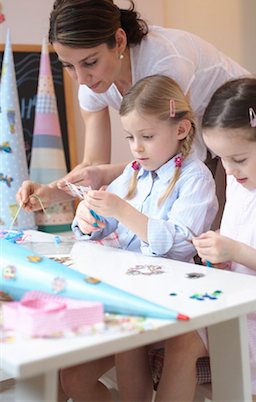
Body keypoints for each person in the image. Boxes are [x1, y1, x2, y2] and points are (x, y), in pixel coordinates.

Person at [115, 77, 256, 402]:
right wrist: (219, 258)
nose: (228, 170)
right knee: (145, 321)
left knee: (184, 339)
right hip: (239, 297)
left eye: (238, 159)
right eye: (221, 158)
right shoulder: (241, 177)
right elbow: (235, 255)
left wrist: (237, 252)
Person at [16, 0, 248, 213]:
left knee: (211, 229)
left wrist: (107, 176)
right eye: (68, 66)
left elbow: (173, 157)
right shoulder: (92, 84)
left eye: (90, 62)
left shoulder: (164, 63)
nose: (82, 78)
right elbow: (94, 164)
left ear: (119, 41)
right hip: (198, 142)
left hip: (242, 124)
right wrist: (52, 193)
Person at [58, 74, 218, 402]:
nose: (136, 148)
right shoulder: (134, 172)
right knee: (71, 377)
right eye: (130, 137)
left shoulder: (195, 177)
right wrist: (88, 219)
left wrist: (122, 211)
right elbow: (106, 225)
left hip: (169, 299)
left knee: (126, 340)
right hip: (129, 291)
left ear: (181, 129)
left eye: (146, 136)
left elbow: (178, 242)